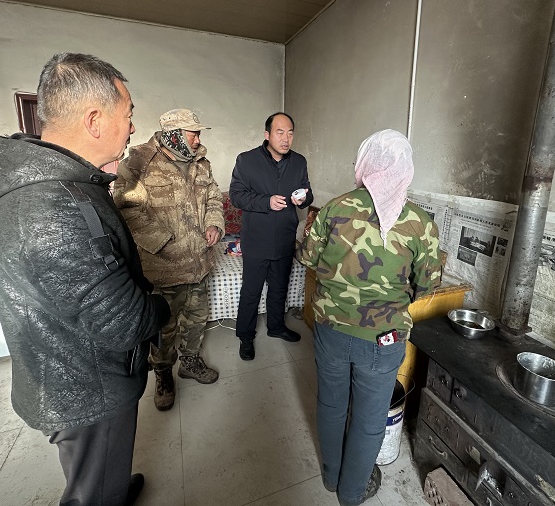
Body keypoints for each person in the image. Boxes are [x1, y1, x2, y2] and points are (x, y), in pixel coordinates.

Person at [0, 53, 170, 506]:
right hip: (86, 386)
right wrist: (160, 305)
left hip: (74, 366)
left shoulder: (59, 185)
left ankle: (111, 486)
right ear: (95, 120)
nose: (132, 126)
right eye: (128, 114)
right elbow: (121, 321)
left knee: (102, 473)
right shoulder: (52, 206)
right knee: (92, 490)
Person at [298, 129, 442, 506]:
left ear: (366, 163)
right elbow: (427, 284)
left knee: (331, 405)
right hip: (383, 338)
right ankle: (351, 492)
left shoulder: (334, 209)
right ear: (405, 169)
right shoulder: (420, 223)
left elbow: (308, 259)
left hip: (330, 329)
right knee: (368, 418)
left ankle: (331, 476)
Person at [113, 109, 225, 411]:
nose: (198, 139)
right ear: (173, 134)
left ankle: (190, 362)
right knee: (164, 327)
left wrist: (214, 224)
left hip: (199, 263)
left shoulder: (201, 163)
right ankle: (163, 373)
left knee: (196, 319)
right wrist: (163, 241)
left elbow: (214, 198)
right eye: (193, 133)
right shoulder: (139, 163)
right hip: (164, 266)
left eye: (198, 133)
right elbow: (126, 209)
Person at [229, 112, 314, 360]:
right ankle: (245, 336)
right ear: (267, 135)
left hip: (285, 238)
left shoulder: (299, 162)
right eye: (280, 132)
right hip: (256, 238)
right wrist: (266, 202)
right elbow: (236, 195)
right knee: (251, 291)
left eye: (290, 133)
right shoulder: (247, 160)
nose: (286, 138)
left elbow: (308, 193)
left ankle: (276, 327)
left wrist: (303, 198)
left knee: (279, 287)